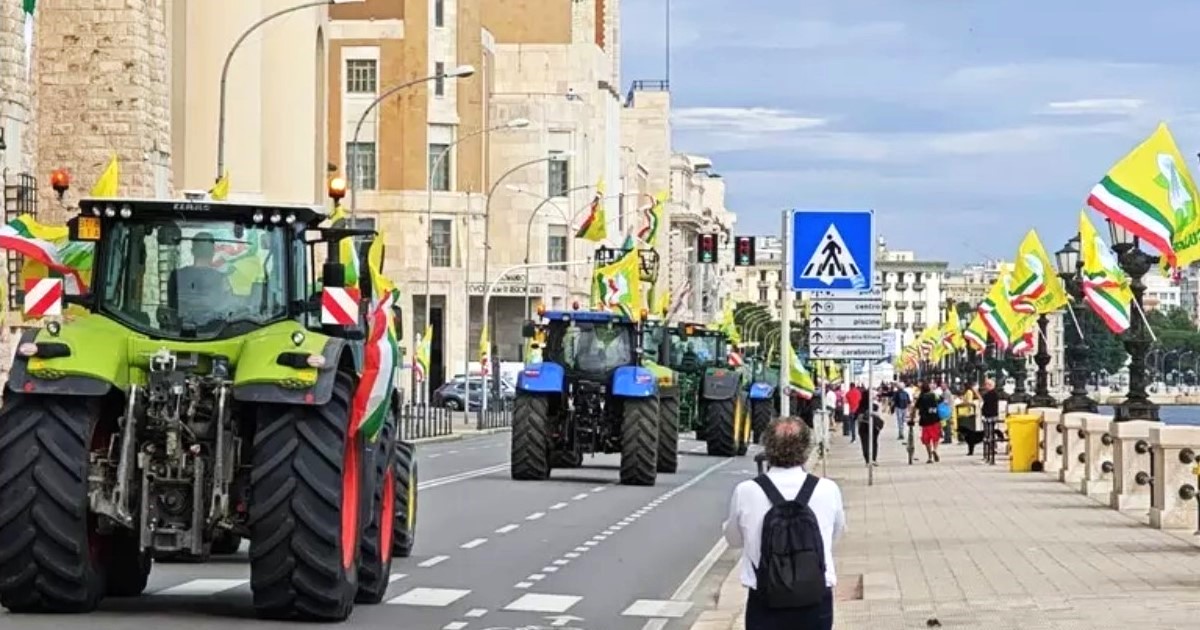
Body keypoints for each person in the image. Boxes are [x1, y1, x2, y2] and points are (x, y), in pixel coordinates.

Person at [724, 417, 845, 629]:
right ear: (806, 448)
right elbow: (835, 534)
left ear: (767, 447)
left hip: (765, 599)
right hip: (815, 597)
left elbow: (733, 540)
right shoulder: (827, 489)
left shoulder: (746, 491)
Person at [168, 232, 234, 325]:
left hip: (179, 332)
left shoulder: (176, 276)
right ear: (213, 252)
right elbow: (227, 310)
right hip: (214, 333)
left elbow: (171, 308)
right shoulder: (221, 279)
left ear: (192, 251)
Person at [911, 382, 942, 463]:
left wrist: (912, 418)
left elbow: (915, 408)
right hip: (935, 418)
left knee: (926, 439)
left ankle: (930, 457)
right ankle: (934, 449)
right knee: (936, 437)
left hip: (925, 421)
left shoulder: (921, 397)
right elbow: (941, 400)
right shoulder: (934, 395)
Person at [981, 378, 1001, 463]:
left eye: (987, 385)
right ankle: (990, 450)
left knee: (989, 433)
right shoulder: (991, 394)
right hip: (989, 415)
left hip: (990, 416)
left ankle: (991, 450)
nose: (985, 386)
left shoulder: (992, 394)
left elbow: (985, 401)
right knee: (989, 433)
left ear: (991, 385)